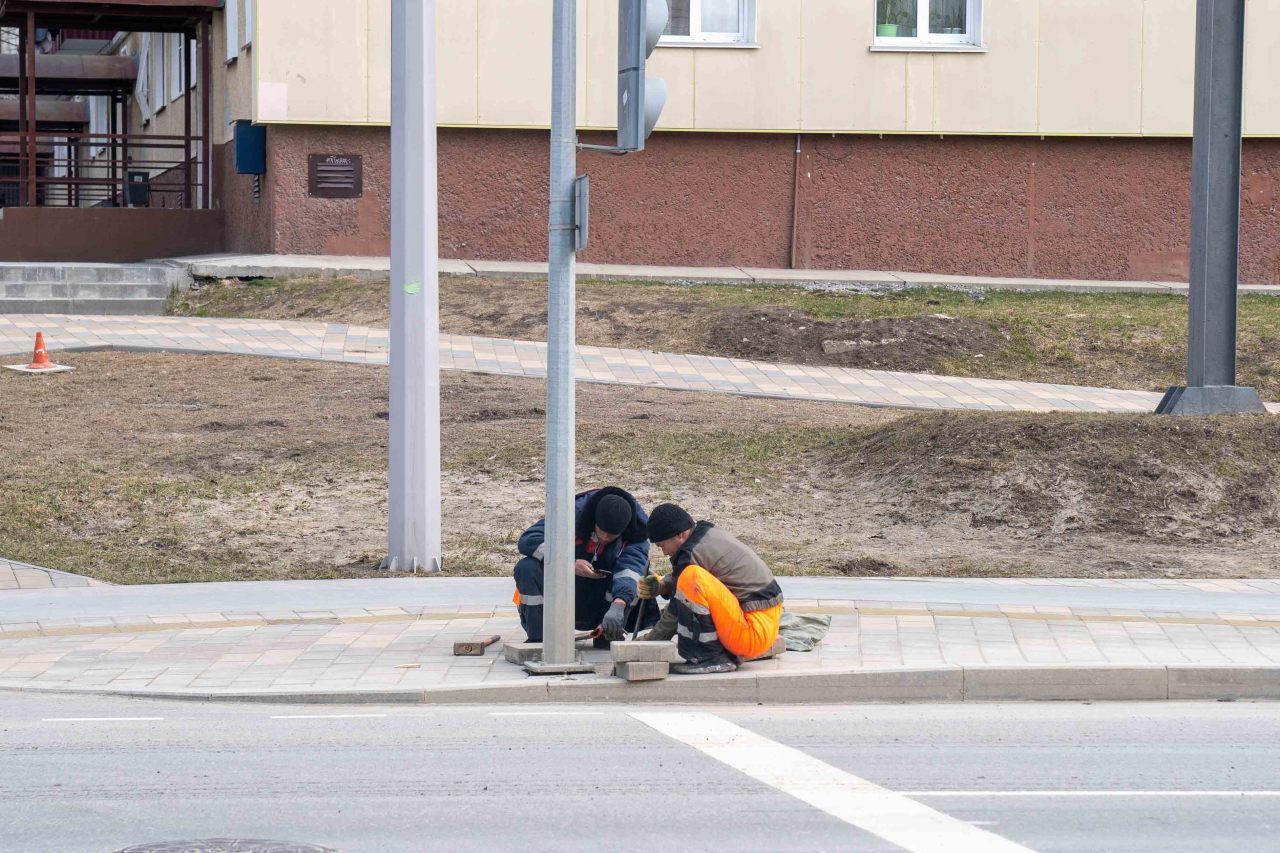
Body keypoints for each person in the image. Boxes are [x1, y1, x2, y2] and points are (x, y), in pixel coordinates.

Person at [638, 503, 784, 674]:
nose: (663, 553)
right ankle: (717, 652)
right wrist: (662, 585)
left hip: (751, 635)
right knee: (690, 579)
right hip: (766, 625)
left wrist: (652, 639)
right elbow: (702, 576)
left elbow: (678, 603)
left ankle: (710, 657)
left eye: (662, 545)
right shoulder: (705, 532)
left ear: (680, 534)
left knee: (691, 578)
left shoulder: (690, 555)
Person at [513, 487, 650, 645]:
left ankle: (608, 635)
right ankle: (538, 638)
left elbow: (629, 570)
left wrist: (619, 604)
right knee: (527, 568)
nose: (605, 537)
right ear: (594, 520)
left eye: (611, 535)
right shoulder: (573, 513)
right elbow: (528, 540)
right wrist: (567, 563)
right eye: (601, 531)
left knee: (635, 578)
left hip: (600, 601)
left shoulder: (637, 532)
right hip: (563, 594)